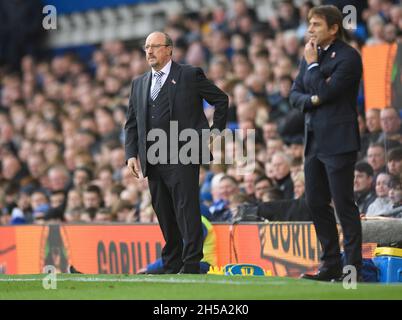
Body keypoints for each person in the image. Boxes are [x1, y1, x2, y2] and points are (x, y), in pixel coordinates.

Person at [125, 31, 228, 274]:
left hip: (184, 151)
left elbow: (221, 100)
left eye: (155, 46)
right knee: (163, 211)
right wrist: (131, 153)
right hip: (152, 156)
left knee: (186, 208)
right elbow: (131, 122)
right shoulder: (138, 83)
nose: (149, 51)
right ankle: (172, 262)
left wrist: (215, 133)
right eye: (146, 47)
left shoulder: (189, 75)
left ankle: (191, 262)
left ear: (169, 49)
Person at [289, 5, 363, 281]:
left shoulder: (348, 57)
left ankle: (352, 270)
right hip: (314, 143)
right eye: (309, 24)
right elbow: (295, 95)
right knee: (316, 202)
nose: (310, 29)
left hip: (339, 142)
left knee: (344, 204)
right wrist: (313, 99)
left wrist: (314, 68)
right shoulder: (310, 55)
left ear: (334, 28)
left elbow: (326, 91)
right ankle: (330, 264)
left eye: (316, 24)